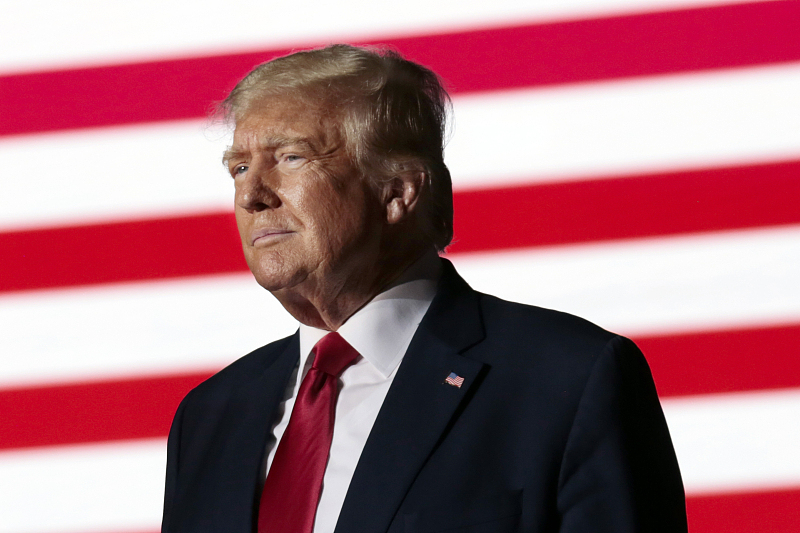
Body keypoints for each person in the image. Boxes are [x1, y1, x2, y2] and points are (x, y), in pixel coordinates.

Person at [161, 44, 687, 533]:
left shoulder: (567, 380)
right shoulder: (211, 416)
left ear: (398, 192)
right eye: (239, 167)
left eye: (292, 157)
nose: (251, 194)